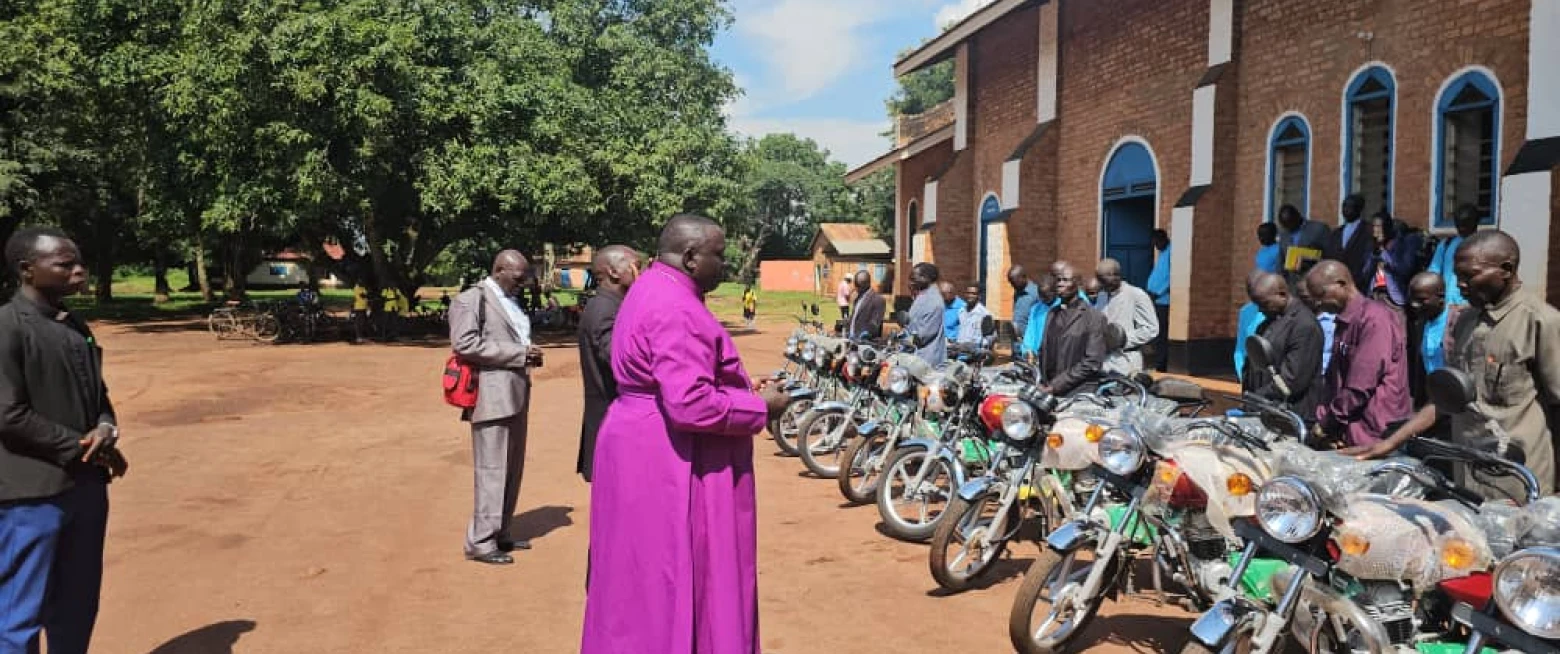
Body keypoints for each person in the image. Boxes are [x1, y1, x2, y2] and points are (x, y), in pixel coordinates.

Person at [581, 215, 789, 653]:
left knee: (635, 576)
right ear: (691, 257)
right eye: (720, 255)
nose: (726, 265)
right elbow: (689, 402)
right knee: (674, 574)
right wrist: (758, 407)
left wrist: (730, 388)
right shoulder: (676, 306)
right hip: (667, 456)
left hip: (638, 442)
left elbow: (673, 377)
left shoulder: (651, 288)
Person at [1348, 232, 1560, 499]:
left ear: (1505, 270)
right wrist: (1389, 444)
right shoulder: (1464, 322)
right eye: (1457, 275)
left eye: (1469, 275)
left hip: (1517, 481)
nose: (1459, 284)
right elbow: (1446, 400)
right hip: (1466, 475)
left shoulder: (1541, 322)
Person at [0, 227, 127, 654]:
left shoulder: (74, 325)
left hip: (86, 488)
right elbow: (8, 414)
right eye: (65, 264)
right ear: (27, 270)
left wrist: (107, 428)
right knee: (20, 614)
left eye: (79, 262)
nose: (79, 271)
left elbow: (99, 396)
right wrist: (80, 445)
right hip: (32, 496)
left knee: (77, 605)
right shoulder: (6, 328)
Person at [449, 250, 543, 565]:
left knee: (512, 468)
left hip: (516, 391)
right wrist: (519, 353)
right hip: (491, 395)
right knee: (492, 469)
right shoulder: (471, 300)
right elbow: (464, 343)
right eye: (518, 278)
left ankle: (500, 530)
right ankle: (480, 541)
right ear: (500, 270)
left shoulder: (508, 299)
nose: (521, 284)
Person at [1305, 260, 1411, 449]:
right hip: (1347, 432)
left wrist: (1326, 425)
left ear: (1341, 284)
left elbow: (1360, 386)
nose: (1318, 303)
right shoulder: (1344, 321)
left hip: (1375, 436)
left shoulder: (1375, 319)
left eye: (1321, 295)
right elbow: (1333, 382)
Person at [577, 245, 641, 483]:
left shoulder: (614, 306)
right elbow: (622, 362)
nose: (639, 274)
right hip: (613, 429)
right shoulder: (605, 310)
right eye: (635, 267)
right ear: (614, 272)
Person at [1243, 272, 1325, 421]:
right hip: (1264, 408)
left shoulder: (1304, 325)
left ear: (1282, 294)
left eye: (1264, 304)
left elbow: (1293, 379)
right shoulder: (1268, 322)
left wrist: (1259, 396)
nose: (1260, 310)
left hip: (1290, 414)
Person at [1040, 261, 1109, 396]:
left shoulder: (1093, 317)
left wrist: (1057, 385)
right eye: (1058, 280)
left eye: (1065, 280)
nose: (1060, 284)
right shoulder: (1052, 313)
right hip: (1049, 389)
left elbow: (1092, 362)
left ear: (1078, 284)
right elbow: (1045, 350)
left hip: (1078, 392)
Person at [1403, 272, 1461, 407]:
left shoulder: (1457, 322)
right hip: (1432, 398)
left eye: (1421, 300)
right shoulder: (1421, 323)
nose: (1414, 305)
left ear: (1440, 297)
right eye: (1412, 300)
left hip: (1453, 401)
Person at [1095, 258, 1158, 376]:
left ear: (1117, 276)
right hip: (1103, 360)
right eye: (1100, 281)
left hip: (1126, 362)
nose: (1102, 285)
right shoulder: (1102, 296)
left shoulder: (1136, 295)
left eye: (1104, 281)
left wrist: (1123, 340)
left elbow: (1151, 328)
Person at [1364, 211, 1425, 309]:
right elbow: (1365, 273)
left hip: (1393, 297)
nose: (1375, 230)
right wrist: (1374, 254)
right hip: (1374, 295)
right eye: (1373, 226)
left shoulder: (1402, 245)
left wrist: (1383, 252)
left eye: (1379, 226)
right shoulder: (1371, 246)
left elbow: (1404, 269)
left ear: (1387, 227)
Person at [1426, 204, 1480, 307]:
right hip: (1446, 305)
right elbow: (1433, 272)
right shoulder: (1446, 244)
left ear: (1475, 222)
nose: (1461, 228)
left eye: (1465, 224)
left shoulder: (1484, 246)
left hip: (1470, 306)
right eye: (1458, 224)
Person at [1323, 194, 1374, 292]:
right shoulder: (1336, 233)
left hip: (1359, 285)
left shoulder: (1368, 230)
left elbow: (1368, 259)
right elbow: (1329, 256)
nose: (1346, 210)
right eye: (1344, 206)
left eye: (1350, 207)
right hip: (1337, 285)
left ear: (1359, 209)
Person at [906, 263, 947, 367]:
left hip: (927, 361)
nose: (912, 281)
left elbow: (923, 335)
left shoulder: (934, 301)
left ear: (926, 278)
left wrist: (906, 330)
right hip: (915, 357)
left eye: (915, 277)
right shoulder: (922, 296)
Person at [1276, 204, 1330, 278]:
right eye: (1284, 225)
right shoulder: (1284, 235)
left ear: (1298, 216)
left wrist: (1310, 259)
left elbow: (1330, 255)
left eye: (1290, 223)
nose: (1288, 228)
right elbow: (1281, 260)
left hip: (1313, 279)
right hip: (1292, 283)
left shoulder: (1318, 229)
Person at [1145, 229, 1172, 372]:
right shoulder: (1163, 253)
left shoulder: (1172, 252)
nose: (1155, 245)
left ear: (1163, 239)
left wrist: (1158, 293)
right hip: (1156, 300)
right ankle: (1158, 360)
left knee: (1161, 334)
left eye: (1156, 242)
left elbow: (1173, 277)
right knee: (1156, 332)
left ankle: (1161, 364)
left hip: (1164, 301)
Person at [1019, 273, 1058, 360]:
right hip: (1037, 357)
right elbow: (1030, 332)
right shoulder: (1036, 309)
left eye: (1046, 296)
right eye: (1040, 296)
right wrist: (1027, 350)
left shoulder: (1062, 308)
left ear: (1055, 292)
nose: (1042, 299)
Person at [1007, 265, 1041, 347]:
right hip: (1016, 343)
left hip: (1029, 344)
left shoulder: (1036, 294)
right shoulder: (1017, 292)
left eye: (1014, 282)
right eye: (1011, 283)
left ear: (1024, 277)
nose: (1012, 286)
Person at [846, 270, 884, 340]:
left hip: (865, 343)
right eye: (855, 285)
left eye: (858, 286)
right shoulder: (858, 298)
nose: (856, 288)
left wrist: (864, 335)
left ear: (867, 284)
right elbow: (855, 317)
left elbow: (874, 324)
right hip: (851, 340)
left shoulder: (878, 300)